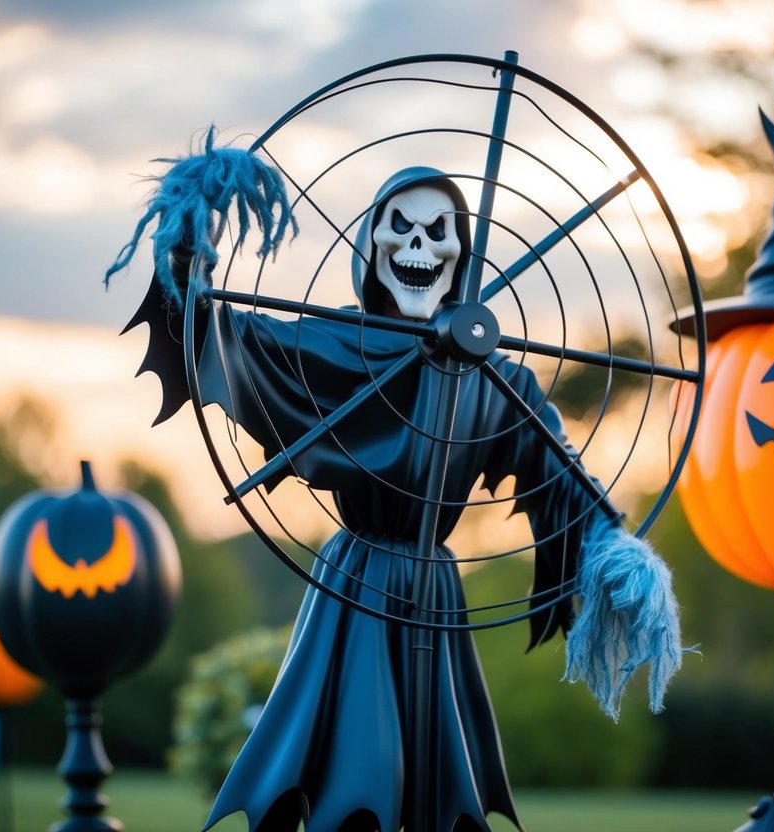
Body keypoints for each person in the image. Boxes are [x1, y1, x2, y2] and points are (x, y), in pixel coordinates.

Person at [108, 138, 683, 832]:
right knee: (358, 763)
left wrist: (615, 549)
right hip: (360, 580)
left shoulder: (499, 379)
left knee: (435, 781)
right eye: (400, 226)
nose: (420, 245)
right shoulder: (335, 346)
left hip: (435, 591)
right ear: (372, 245)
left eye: (438, 231)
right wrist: (186, 251)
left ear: (461, 254)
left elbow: (566, 480)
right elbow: (219, 332)